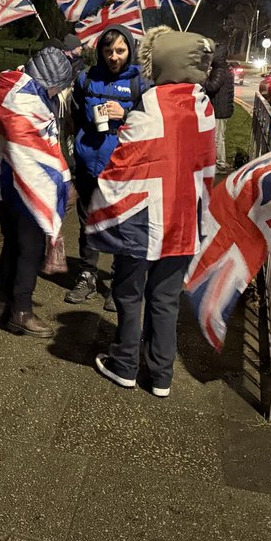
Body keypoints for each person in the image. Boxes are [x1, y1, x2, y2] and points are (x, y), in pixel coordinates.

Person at [85, 27, 216, 398]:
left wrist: (102, 199)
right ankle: (161, 375)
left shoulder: (154, 101)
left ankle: (124, 363)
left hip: (145, 217)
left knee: (128, 293)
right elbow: (208, 162)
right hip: (184, 218)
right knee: (166, 299)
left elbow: (127, 158)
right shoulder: (202, 104)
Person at [0, 46, 75, 337]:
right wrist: (59, 181)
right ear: (50, 82)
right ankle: (21, 311)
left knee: (13, 245)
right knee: (29, 250)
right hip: (26, 187)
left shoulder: (13, 87)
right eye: (57, 88)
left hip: (10, 182)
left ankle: (2, 300)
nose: (57, 94)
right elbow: (36, 148)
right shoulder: (27, 100)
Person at [65, 25, 146, 309]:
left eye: (120, 51)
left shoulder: (140, 83)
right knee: (88, 223)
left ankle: (116, 283)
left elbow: (152, 124)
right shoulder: (86, 79)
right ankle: (86, 275)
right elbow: (74, 117)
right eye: (108, 50)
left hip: (124, 168)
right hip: (89, 164)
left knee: (122, 226)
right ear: (100, 51)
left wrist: (127, 114)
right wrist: (73, 158)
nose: (114, 56)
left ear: (130, 51)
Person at [204, 42, 235, 171]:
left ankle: (220, 163)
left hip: (220, 110)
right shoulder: (223, 68)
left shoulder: (219, 70)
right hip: (222, 108)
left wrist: (203, 78)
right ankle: (219, 162)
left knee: (217, 138)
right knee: (218, 137)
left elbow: (212, 86)